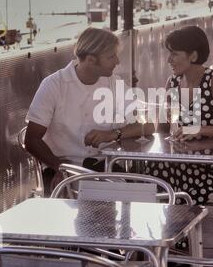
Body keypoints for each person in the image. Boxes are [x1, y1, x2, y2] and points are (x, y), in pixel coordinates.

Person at [25, 27, 154, 191]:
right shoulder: (54, 85)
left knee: (147, 191)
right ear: (91, 60)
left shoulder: (113, 84)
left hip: (102, 167)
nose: (117, 61)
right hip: (61, 169)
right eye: (111, 56)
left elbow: (149, 125)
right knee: (128, 194)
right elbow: (31, 140)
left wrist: (112, 134)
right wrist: (60, 167)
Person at [145, 25, 213, 206]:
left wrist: (200, 129)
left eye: (174, 54)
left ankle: (178, 221)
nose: (168, 60)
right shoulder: (173, 82)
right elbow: (163, 129)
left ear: (193, 56)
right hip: (181, 160)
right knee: (149, 167)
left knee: (164, 173)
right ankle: (174, 222)